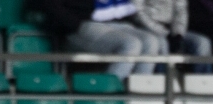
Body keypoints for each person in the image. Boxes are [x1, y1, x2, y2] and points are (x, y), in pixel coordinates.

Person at [29, 0, 160, 81]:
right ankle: (107, 100)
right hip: (82, 24)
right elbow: (48, 5)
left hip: (117, 24)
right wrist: (76, 25)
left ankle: (137, 101)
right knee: (131, 44)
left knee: (151, 41)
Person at [131, 0, 213, 73]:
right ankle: (164, 83)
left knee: (202, 42)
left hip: (172, 29)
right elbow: (137, 12)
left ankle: (202, 84)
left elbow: (181, 10)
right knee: (162, 43)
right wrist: (162, 31)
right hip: (146, 29)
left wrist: (178, 34)